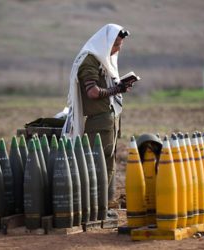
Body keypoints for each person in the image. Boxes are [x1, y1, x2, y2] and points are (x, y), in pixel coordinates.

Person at [63, 24, 134, 204]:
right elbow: (93, 92)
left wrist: (119, 88)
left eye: (119, 46)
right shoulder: (90, 61)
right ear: (106, 43)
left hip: (108, 122)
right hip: (98, 123)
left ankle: (101, 206)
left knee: (107, 166)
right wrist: (117, 89)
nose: (117, 49)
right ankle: (93, 207)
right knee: (97, 167)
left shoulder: (104, 61)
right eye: (115, 45)